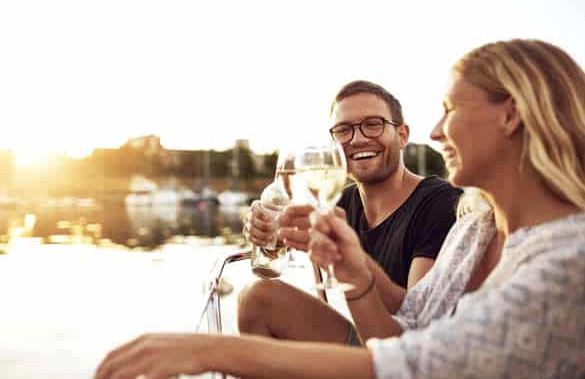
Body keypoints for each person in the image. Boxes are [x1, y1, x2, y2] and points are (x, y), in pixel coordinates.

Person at [95, 39, 585, 379]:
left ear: (512, 114)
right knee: (257, 298)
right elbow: (408, 326)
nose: (437, 132)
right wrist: (351, 268)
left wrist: (210, 349)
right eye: (343, 130)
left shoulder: (567, 263)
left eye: (450, 109)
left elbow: (417, 364)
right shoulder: (475, 228)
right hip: (389, 353)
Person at [238, 80, 462, 345]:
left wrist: (353, 261)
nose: (357, 139)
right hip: (362, 342)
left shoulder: (441, 203)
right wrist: (269, 235)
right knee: (255, 298)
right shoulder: (339, 202)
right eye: (343, 130)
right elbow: (316, 288)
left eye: (373, 124)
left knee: (260, 299)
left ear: (402, 135)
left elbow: (419, 317)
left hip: (405, 353)